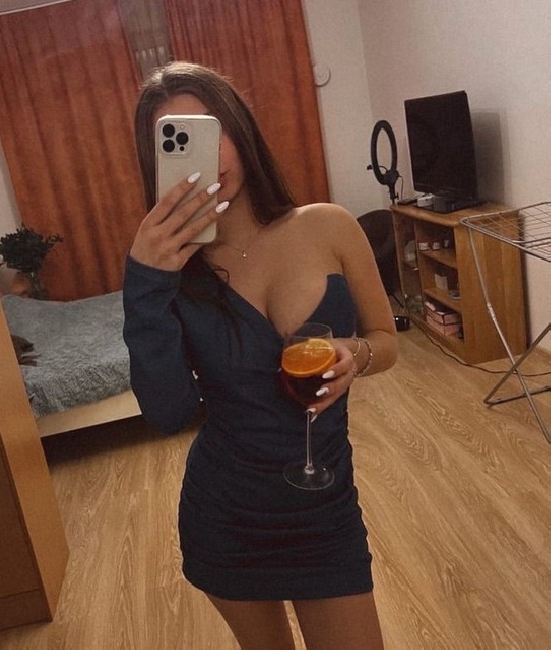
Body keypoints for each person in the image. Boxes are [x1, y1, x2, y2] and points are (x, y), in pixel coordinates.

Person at [123, 60, 397, 650]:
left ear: (240, 128)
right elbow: (169, 413)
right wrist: (145, 283)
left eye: (212, 128)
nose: (209, 154)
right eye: (179, 141)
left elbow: (387, 339)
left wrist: (357, 354)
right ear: (159, 166)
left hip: (326, 513)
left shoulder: (329, 227)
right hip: (227, 518)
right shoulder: (174, 274)